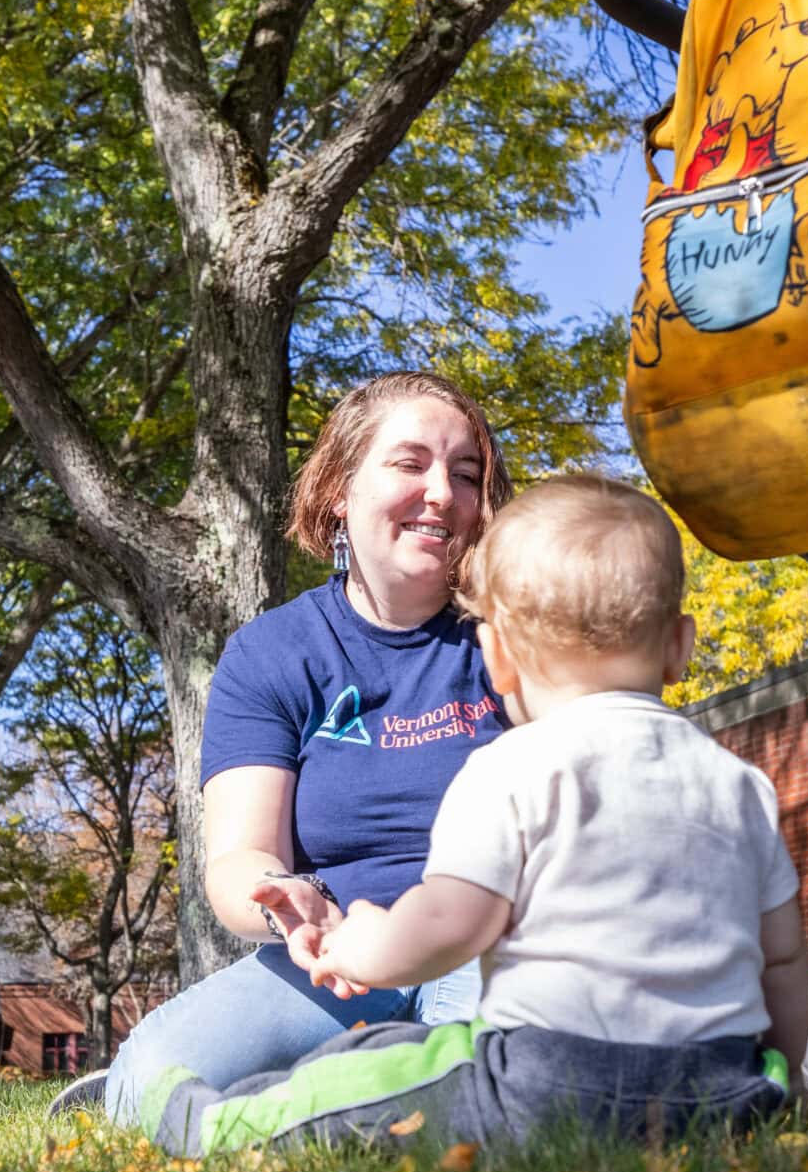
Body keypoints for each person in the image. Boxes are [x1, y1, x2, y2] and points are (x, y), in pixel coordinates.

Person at [136, 474, 808, 1155]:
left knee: (367, 1081)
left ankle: (212, 1125)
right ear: (680, 645)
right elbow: (782, 956)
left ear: (499, 660)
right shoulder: (741, 784)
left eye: (462, 471)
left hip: (546, 1087)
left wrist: (358, 944)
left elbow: (450, 925)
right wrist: (785, 1087)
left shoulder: (509, 767)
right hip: (724, 1093)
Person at [52, 372, 516, 1122]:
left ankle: (334, 1094)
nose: (443, 493)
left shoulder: (514, 636)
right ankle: (344, 1082)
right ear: (339, 488)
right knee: (145, 1076)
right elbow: (238, 857)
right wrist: (283, 903)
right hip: (341, 955)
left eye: (466, 474)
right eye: (410, 464)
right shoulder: (273, 652)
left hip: (484, 943)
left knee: (483, 1072)